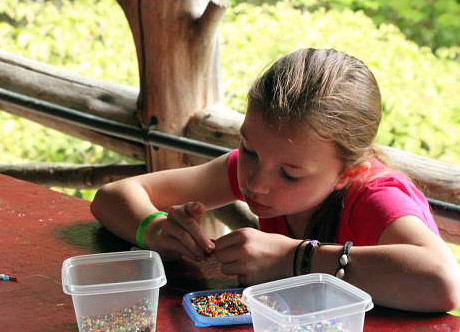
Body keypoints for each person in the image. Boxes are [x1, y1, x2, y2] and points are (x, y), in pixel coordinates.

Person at [91, 48, 460, 312]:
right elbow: (112, 196)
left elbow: (442, 282)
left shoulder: (374, 198)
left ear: (349, 172)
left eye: (289, 174)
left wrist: (292, 258)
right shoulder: (261, 165)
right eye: (248, 150)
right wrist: (154, 229)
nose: (256, 183)